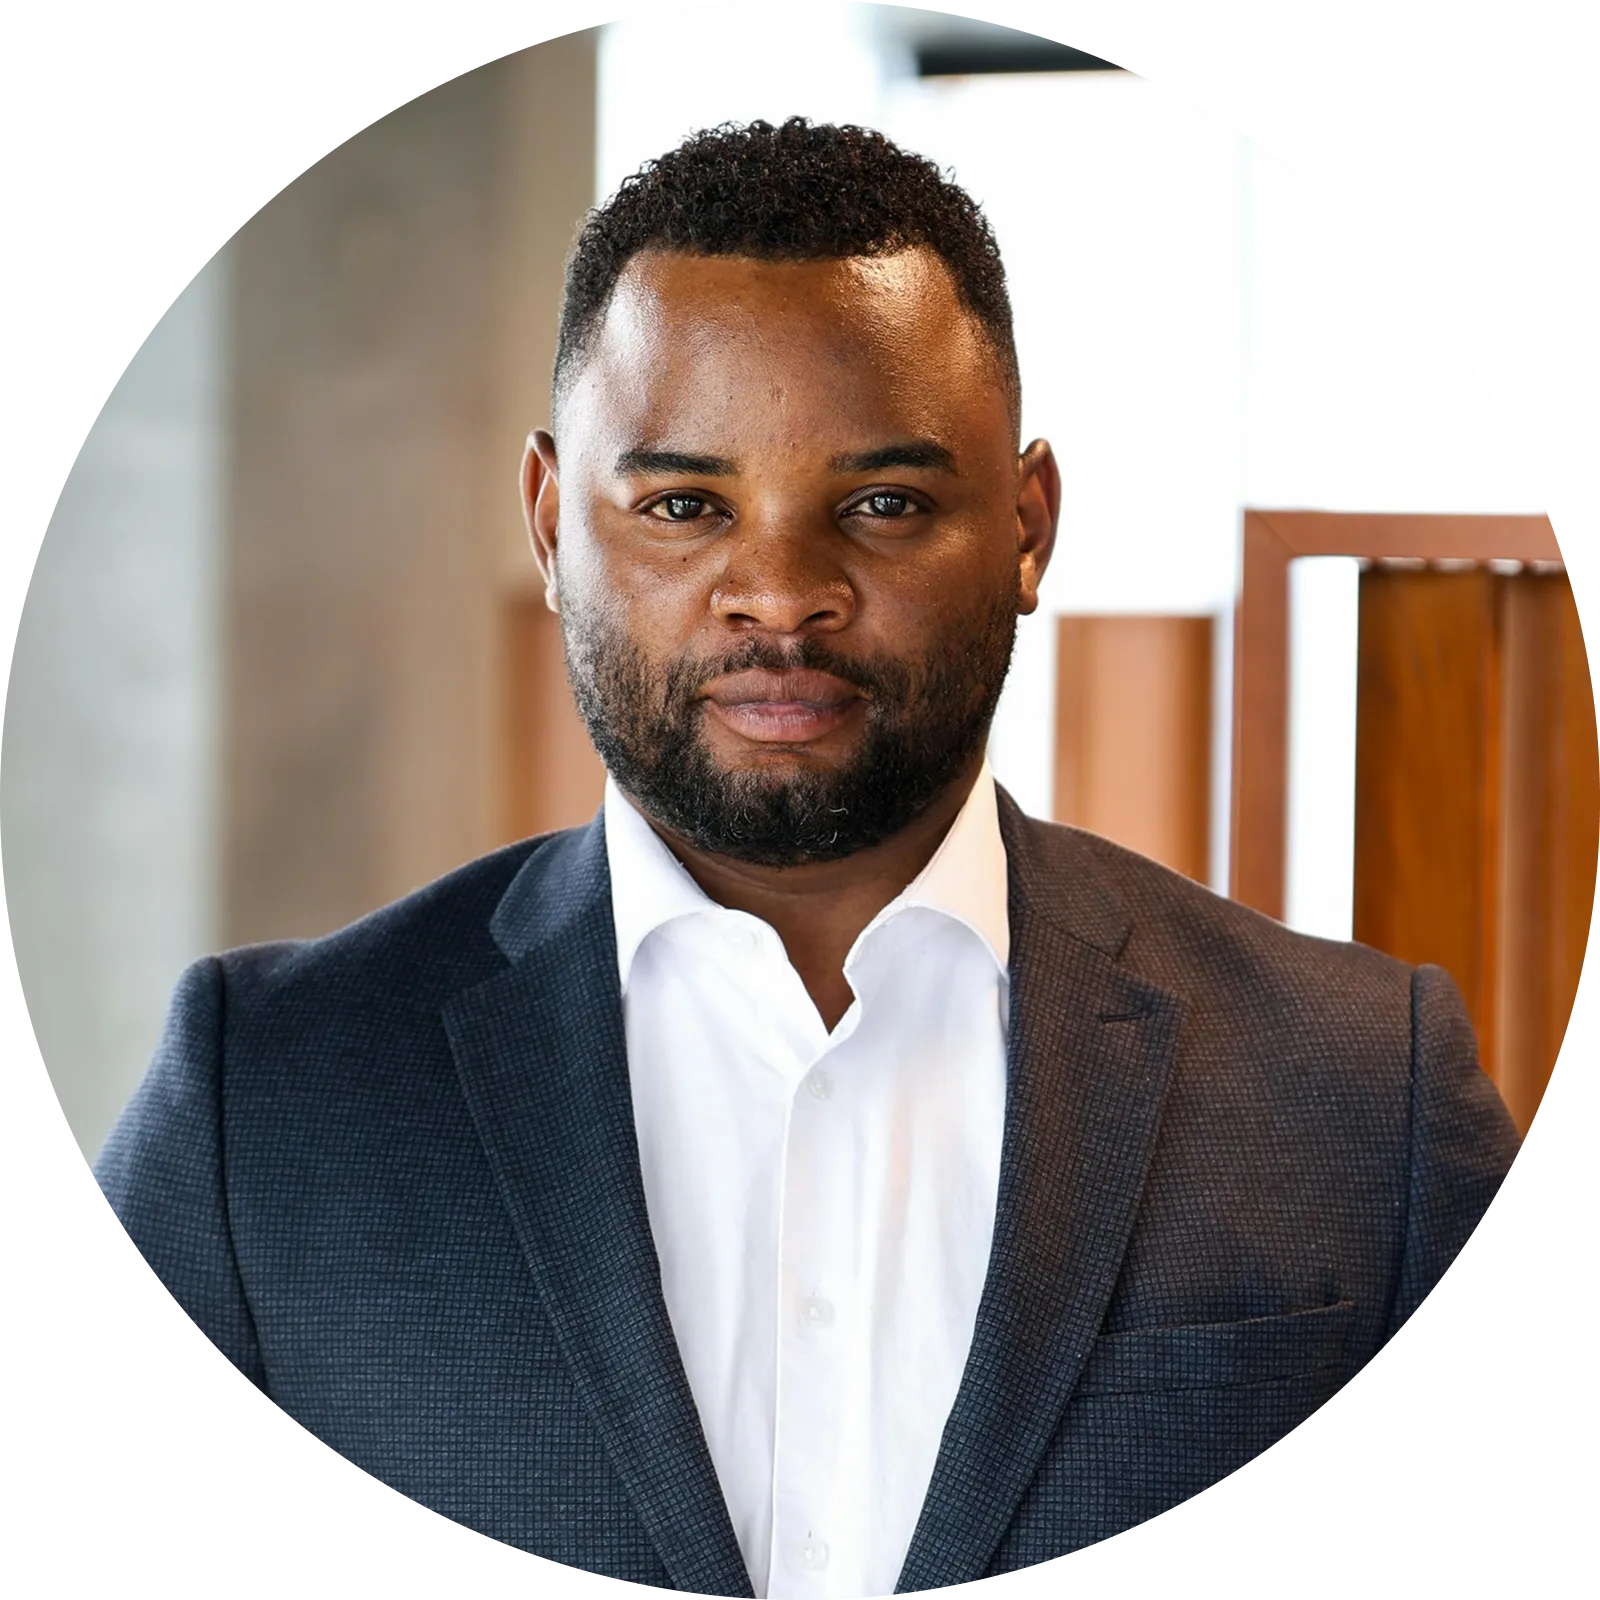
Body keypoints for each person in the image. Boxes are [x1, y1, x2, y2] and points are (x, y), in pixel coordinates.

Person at [94, 119, 1519, 1598]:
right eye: (683, 505)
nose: (780, 593)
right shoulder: (261, 1102)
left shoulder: (1365, 1096)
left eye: (884, 504)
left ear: (1028, 527)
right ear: (547, 519)